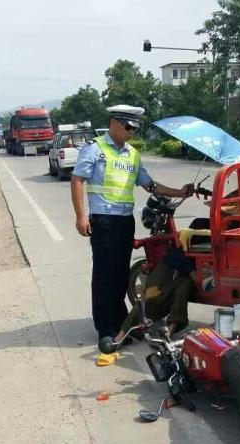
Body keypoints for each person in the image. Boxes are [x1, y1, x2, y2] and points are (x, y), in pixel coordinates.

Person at [70, 104, 194, 354]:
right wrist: (81, 216)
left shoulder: (132, 154)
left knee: (119, 275)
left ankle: (122, 325)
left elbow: (149, 185)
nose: (131, 133)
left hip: (125, 221)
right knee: (105, 277)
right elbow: (77, 180)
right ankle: (106, 329)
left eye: (134, 129)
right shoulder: (95, 149)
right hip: (103, 221)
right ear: (114, 123)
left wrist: (180, 192)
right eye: (127, 127)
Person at [112, 248, 196, 347]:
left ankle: (169, 332)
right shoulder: (169, 263)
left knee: (181, 291)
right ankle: (121, 336)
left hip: (186, 273)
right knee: (149, 298)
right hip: (170, 266)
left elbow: (196, 279)